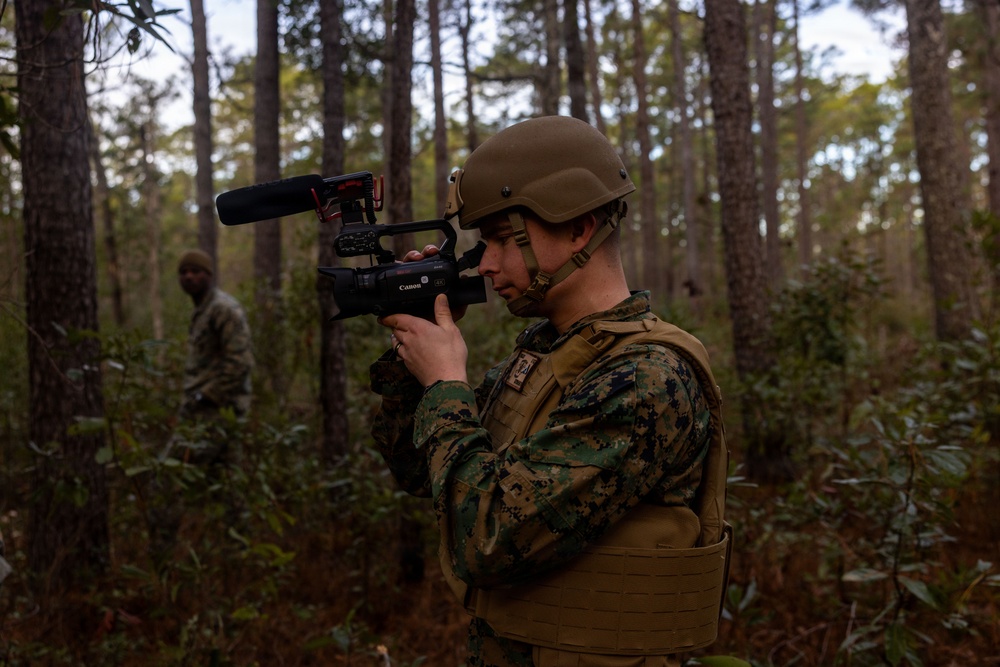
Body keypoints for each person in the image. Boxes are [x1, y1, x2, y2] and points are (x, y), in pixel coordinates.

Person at [370, 116, 731, 667]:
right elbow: (421, 472)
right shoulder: (547, 355)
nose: (485, 263)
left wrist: (446, 383)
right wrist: (412, 357)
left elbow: (486, 539)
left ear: (579, 229)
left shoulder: (645, 379)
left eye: (498, 238)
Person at [147, 249, 254, 569]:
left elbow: (241, 363)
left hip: (213, 415)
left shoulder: (223, 309)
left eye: (196, 271)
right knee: (230, 489)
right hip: (214, 414)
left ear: (209, 275)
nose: (189, 277)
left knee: (164, 479)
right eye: (184, 272)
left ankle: (160, 564)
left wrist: (204, 398)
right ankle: (238, 563)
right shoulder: (203, 311)